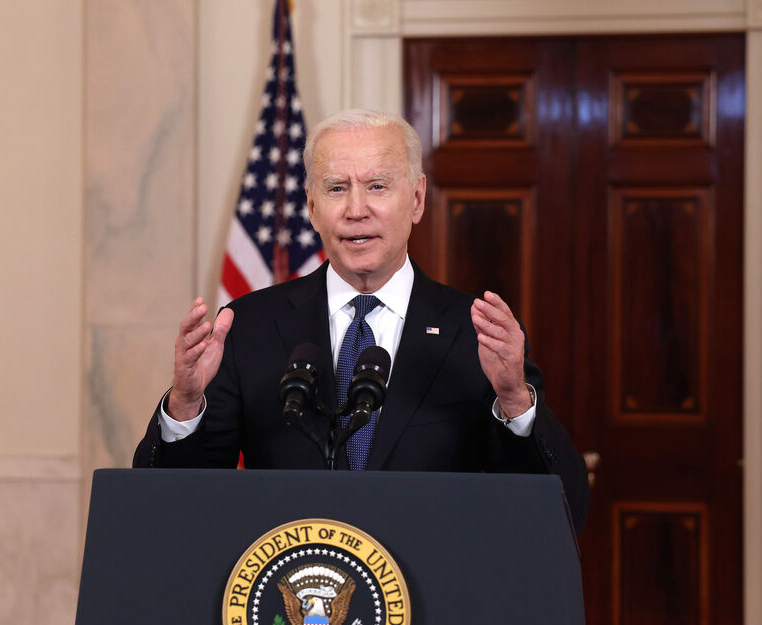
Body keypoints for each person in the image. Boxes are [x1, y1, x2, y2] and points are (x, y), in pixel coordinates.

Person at [132, 109, 587, 530]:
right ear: (312, 208)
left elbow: (562, 508)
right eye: (336, 188)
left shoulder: (476, 333)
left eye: (377, 186)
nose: (355, 209)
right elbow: (169, 508)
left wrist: (514, 400)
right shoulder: (248, 326)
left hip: (431, 597)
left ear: (416, 199)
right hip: (292, 595)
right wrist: (185, 407)